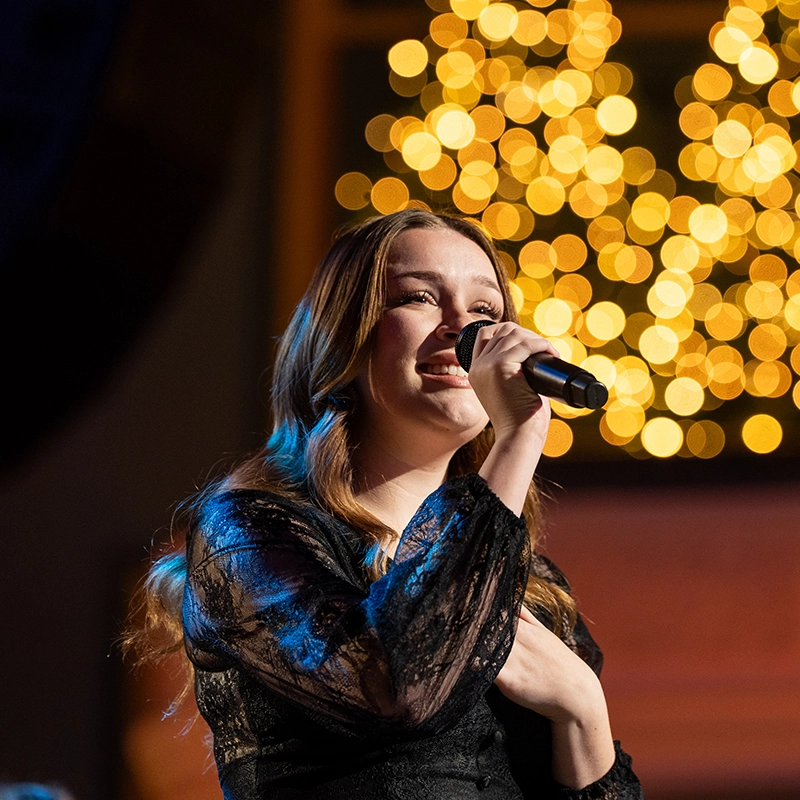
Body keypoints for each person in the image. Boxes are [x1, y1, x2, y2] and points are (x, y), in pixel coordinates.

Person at [125, 208, 643, 799]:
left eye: (485, 311)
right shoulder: (250, 534)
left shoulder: (528, 583)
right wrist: (520, 433)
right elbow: (404, 688)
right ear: (348, 334)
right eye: (419, 297)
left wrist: (583, 712)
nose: (463, 329)